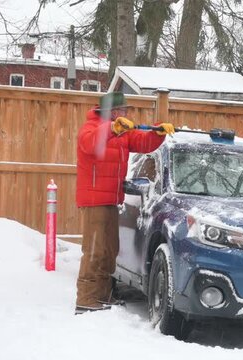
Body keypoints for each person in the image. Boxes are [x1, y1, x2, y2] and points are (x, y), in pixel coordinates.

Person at [74, 91, 174, 314]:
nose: (127, 113)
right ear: (112, 112)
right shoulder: (91, 128)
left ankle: (103, 296)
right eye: (123, 110)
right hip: (93, 200)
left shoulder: (123, 133)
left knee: (109, 251)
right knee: (94, 251)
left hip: (111, 199)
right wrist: (112, 128)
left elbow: (142, 141)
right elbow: (90, 143)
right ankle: (86, 299)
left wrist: (158, 133)